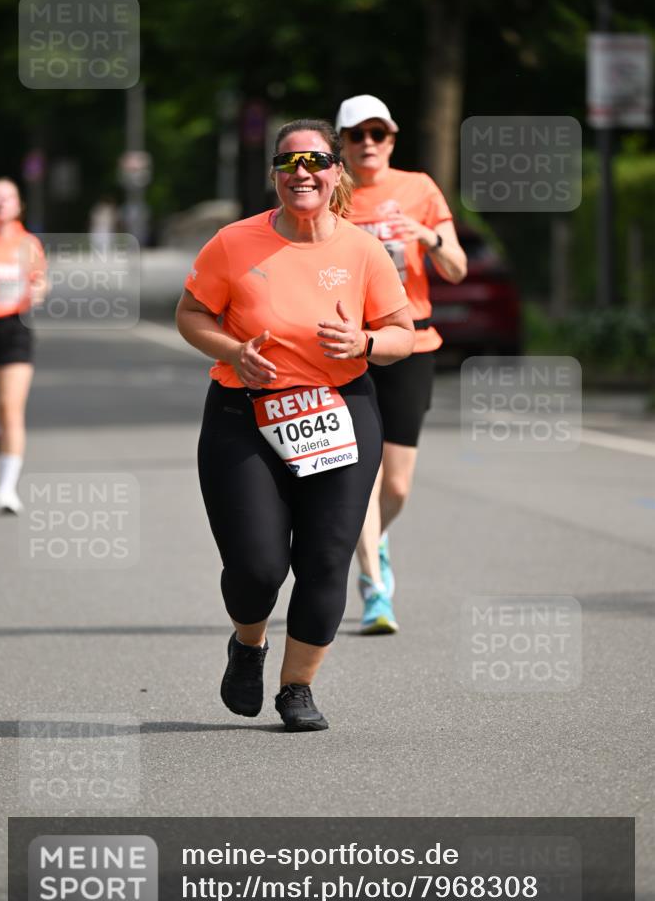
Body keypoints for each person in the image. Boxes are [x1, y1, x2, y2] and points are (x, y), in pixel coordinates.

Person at [176, 119, 414, 732]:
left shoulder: (361, 250)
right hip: (244, 414)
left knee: (327, 559)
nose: (301, 173)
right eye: (288, 163)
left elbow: (400, 336)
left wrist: (362, 339)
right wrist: (232, 351)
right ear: (275, 174)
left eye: (314, 161)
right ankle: (248, 644)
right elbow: (192, 312)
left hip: (339, 410)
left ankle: (297, 689)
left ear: (335, 171)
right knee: (257, 568)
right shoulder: (233, 243)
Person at [335, 94, 467, 634]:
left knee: (397, 487)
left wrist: (428, 237)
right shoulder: (329, 191)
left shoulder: (419, 189)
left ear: (392, 138)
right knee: (360, 477)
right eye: (357, 135)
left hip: (411, 343)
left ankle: (374, 540)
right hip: (349, 346)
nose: (369, 144)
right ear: (341, 143)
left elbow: (456, 269)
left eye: (379, 133)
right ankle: (374, 587)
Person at [0, 178, 47, 514]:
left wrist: (38, 291)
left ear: (18, 205)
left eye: (6, 198)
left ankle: (6, 489)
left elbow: (40, 281)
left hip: (13, 328)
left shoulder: (28, 243)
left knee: (10, 407)